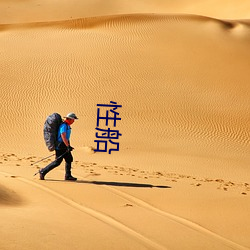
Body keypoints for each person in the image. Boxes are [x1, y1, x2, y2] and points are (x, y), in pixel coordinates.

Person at [39, 112, 78, 181]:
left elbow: (66, 137)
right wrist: (67, 146)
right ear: (70, 119)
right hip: (61, 145)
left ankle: (68, 175)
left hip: (64, 145)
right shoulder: (64, 126)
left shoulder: (67, 125)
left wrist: (68, 145)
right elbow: (63, 135)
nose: (74, 121)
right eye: (73, 119)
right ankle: (43, 172)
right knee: (57, 162)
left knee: (69, 159)